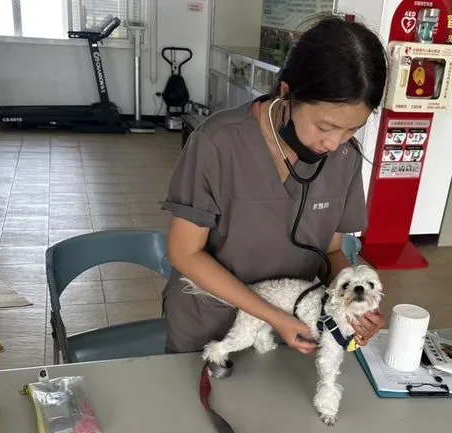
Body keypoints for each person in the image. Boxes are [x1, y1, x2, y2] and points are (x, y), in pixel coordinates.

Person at [161, 17, 388, 355]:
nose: (334, 143)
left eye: (352, 130)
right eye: (325, 126)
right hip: (212, 327)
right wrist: (270, 314)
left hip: (293, 330)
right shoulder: (218, 143)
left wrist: (355, 299)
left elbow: (331, 252)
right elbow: (184, 253)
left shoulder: (345, 158)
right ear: (286, 93)